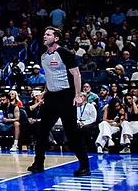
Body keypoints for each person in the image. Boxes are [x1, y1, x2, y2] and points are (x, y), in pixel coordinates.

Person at [27, 27, 91, 177]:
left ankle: (84, 166)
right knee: (42, 130)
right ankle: (38, 163)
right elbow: (50, 76)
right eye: (44, 34)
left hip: (66, 96)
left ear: (56, 38)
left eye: (48, 34)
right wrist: (45, 91)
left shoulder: (65, 54)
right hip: (51, 97)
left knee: (72, 133)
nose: (44, 36)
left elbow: (76, 75)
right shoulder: (43, 56)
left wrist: (77, 95)